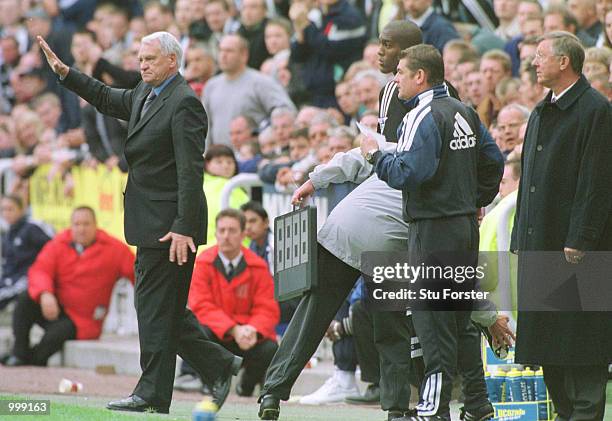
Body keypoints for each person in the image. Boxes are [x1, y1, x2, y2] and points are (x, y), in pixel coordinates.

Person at [258, 20, 510, 421]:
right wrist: (470, 199)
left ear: (415, 64)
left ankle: (274, 393)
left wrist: (325, 174)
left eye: (389, 47)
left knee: (325, 315)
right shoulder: (428, 102)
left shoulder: (423, 109)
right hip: (398, 229)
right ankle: (407, 408)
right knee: (398, 324)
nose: (379, 53)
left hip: (377, 226)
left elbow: (385, 159)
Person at [37, 31, 241, 413]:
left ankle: (152, 393)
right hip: (151, 222)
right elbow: (104, 97)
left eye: (149, 59)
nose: (141, 64)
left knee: (154, 312)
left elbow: (190, 170)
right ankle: (219, 364)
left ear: (172, 62)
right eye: (139, 58)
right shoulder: (145, 95)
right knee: (165, 311)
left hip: (170, 227)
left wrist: (183, 225)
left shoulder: (184, 104)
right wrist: (68, 73)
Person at [360, 44, 504, 421]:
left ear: (419, 76)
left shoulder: (419, 115)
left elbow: (408, 172)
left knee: (432, 321)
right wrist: (473, 199)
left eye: (401, 74)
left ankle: (433, 409)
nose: (396, 80)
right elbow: (494, 161)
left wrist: (375, 154)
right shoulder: (464, 111)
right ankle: (477, 404)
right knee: (461, 318)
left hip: (433, 229)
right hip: (463, 226)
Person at [510, 31, 612, 421]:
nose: (534, 63)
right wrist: (521, 233)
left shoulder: (595, 110)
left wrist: (581, 236)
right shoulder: (540, 111)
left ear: (564, 61)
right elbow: (528, 182)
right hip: (541, 243)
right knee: (548, 348)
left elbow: (597, 181)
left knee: (583, 348)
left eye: (540, 56)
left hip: (576, 248)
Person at [1, 207, 134, 367]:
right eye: (77, 224)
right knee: (25, 300)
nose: (81, 229)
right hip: (55, 308)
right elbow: (40, 270)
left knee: (53, 338)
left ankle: (30, 360)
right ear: (71, 226)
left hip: (83, 320)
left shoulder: (115, 249)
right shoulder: (58, 243)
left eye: (86, 224)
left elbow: (136, 273)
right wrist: (45, 294)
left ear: (95, 225)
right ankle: (19, 353)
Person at [177, 209, 280, 397]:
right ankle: (212, 382)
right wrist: (233, 329)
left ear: (242, 234)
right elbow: (201, 305)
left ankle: (246, 385)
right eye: (222, 230)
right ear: (215, 233)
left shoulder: (257, 266)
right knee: (200, 333)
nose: (226, 236)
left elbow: (267, 307)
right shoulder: (203, 262)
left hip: (247, 335)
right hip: (218, 334)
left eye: (232, 231)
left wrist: (253, 329)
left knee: (270, 348)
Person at [203, 34, 295, 147]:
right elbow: (206, 127)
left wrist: (267, 135)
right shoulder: (211, 86)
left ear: (244, 55)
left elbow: (286, 110)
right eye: (221, 50)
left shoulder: (261, 82)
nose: (223, 55)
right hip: (222, 159)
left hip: (252, 157)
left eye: (229, 51)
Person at [0, 195, 52, 310]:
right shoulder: (8, 233)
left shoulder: (31, 228)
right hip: (10, 279)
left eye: (10, 209)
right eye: (3, 209)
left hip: (28, 278)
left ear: (21, 209)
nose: (6, 213)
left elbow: (52, 249)